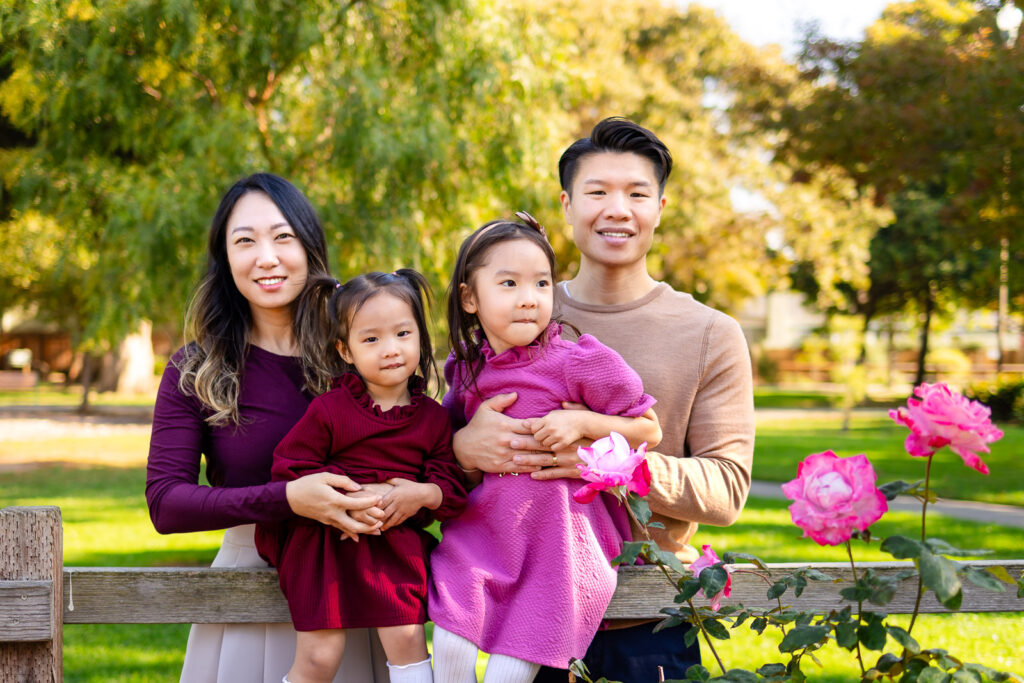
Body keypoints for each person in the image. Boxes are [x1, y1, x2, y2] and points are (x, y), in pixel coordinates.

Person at [452, 118, 756, 682]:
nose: (617, 209)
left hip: (648, 619)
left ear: (660, 207)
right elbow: (432, 447)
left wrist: (612, 464)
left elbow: (728, 489)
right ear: (567, 205)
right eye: (597, 192)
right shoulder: (509, 307)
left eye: (637, 194)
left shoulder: (710, 332)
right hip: (521, 609)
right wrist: (462, 447)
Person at [145, 173, 393, 682]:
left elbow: (418, 442)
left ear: (310, 246)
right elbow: (166, 503)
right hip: (243, 587)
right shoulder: (196, 369)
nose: (266, 257)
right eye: (245, 241)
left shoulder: (359, 358)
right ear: (224, 259)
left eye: (283, 237)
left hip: (348, 588)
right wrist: (288, 499)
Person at [427, 213, 663, 682]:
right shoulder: (466, 369)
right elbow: (442, 443)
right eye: (509, 283)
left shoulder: (579, 361)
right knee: (450, 649)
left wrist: (581, 422)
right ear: (470, 298)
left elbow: (648, 429)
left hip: (559, 543)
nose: (529, 298)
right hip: (484, 535)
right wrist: (462, 444)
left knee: (508, 674)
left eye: (541, 283)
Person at [254, 270, 467, 683]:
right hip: (326, 546)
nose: (391, 349)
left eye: (403, 333)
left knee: (407, 642)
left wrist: (421, 494)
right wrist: (342, 503)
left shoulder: (433, 419)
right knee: (319, 657)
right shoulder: (330, 410)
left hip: (392, 548)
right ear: (346, 350)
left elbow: (452, 488)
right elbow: (289, 470)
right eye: (371, 339)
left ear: (420, 337)